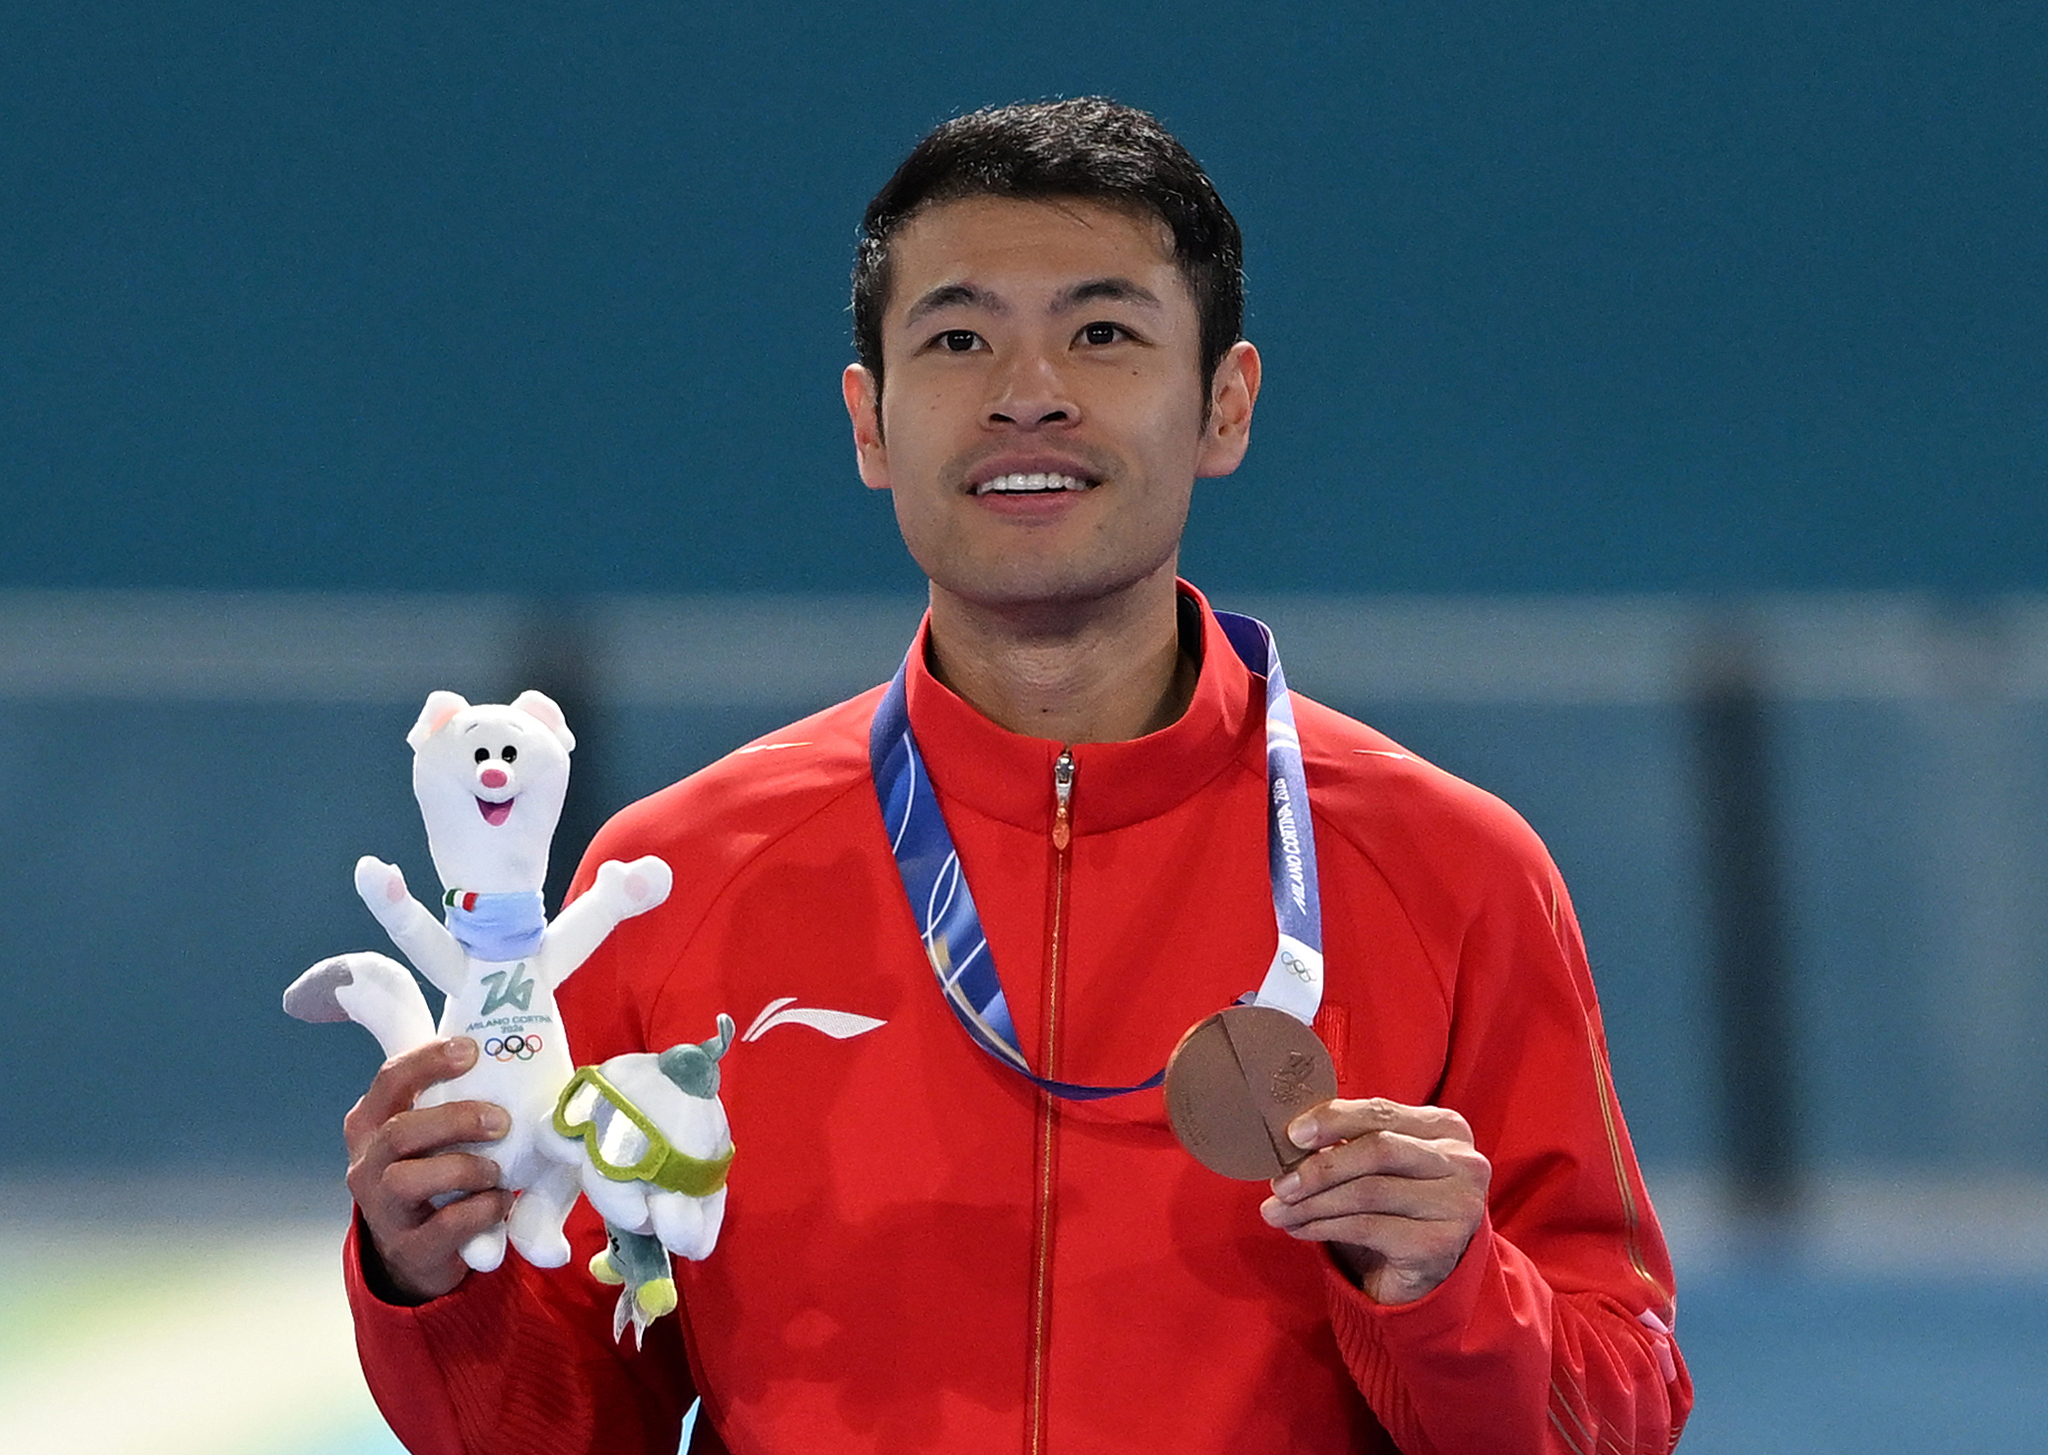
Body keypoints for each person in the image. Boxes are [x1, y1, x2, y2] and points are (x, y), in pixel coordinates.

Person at [338, 98, 1693, 1454]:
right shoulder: (676, 880)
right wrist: (430, 1277)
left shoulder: (1449, 867)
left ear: (1226, 403)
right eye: (957, 337)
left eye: (1103, 332)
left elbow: (1617, 1409)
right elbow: (566, 1422)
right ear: (869, 424)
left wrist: (1452, 1293)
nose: (1027, 388)